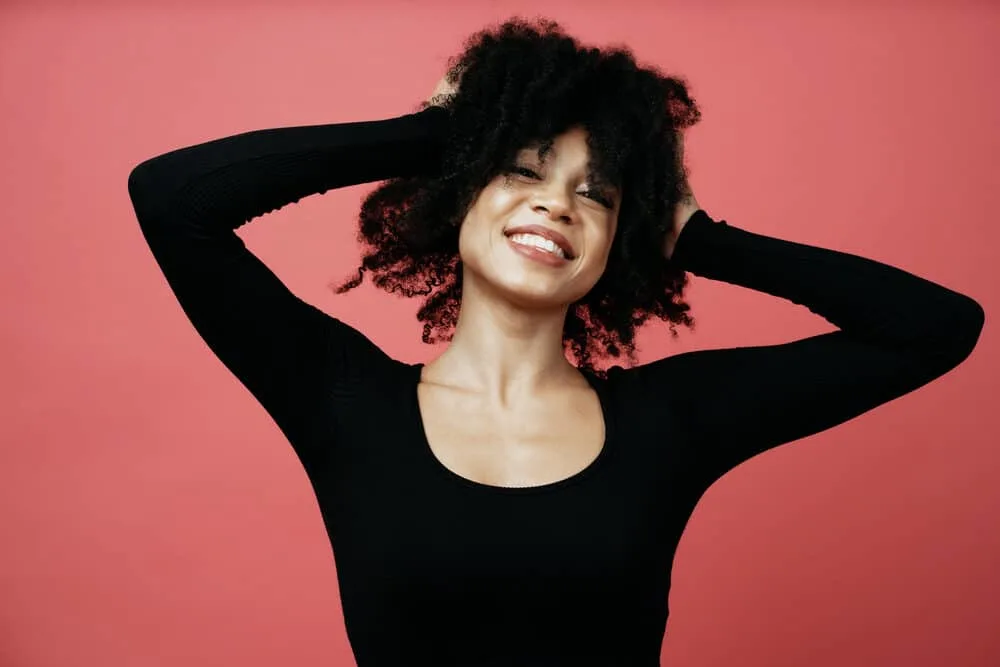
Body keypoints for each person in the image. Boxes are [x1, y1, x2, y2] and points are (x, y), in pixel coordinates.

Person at [126, 16, 983, 667]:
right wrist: (443, 134)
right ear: (459, 196)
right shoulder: (344, 401)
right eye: (523, 170)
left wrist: (698, 236)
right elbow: (172, 199)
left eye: (597, 194)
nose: (556, 204)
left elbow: (935, 327)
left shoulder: (670, 422)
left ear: (621, 241)